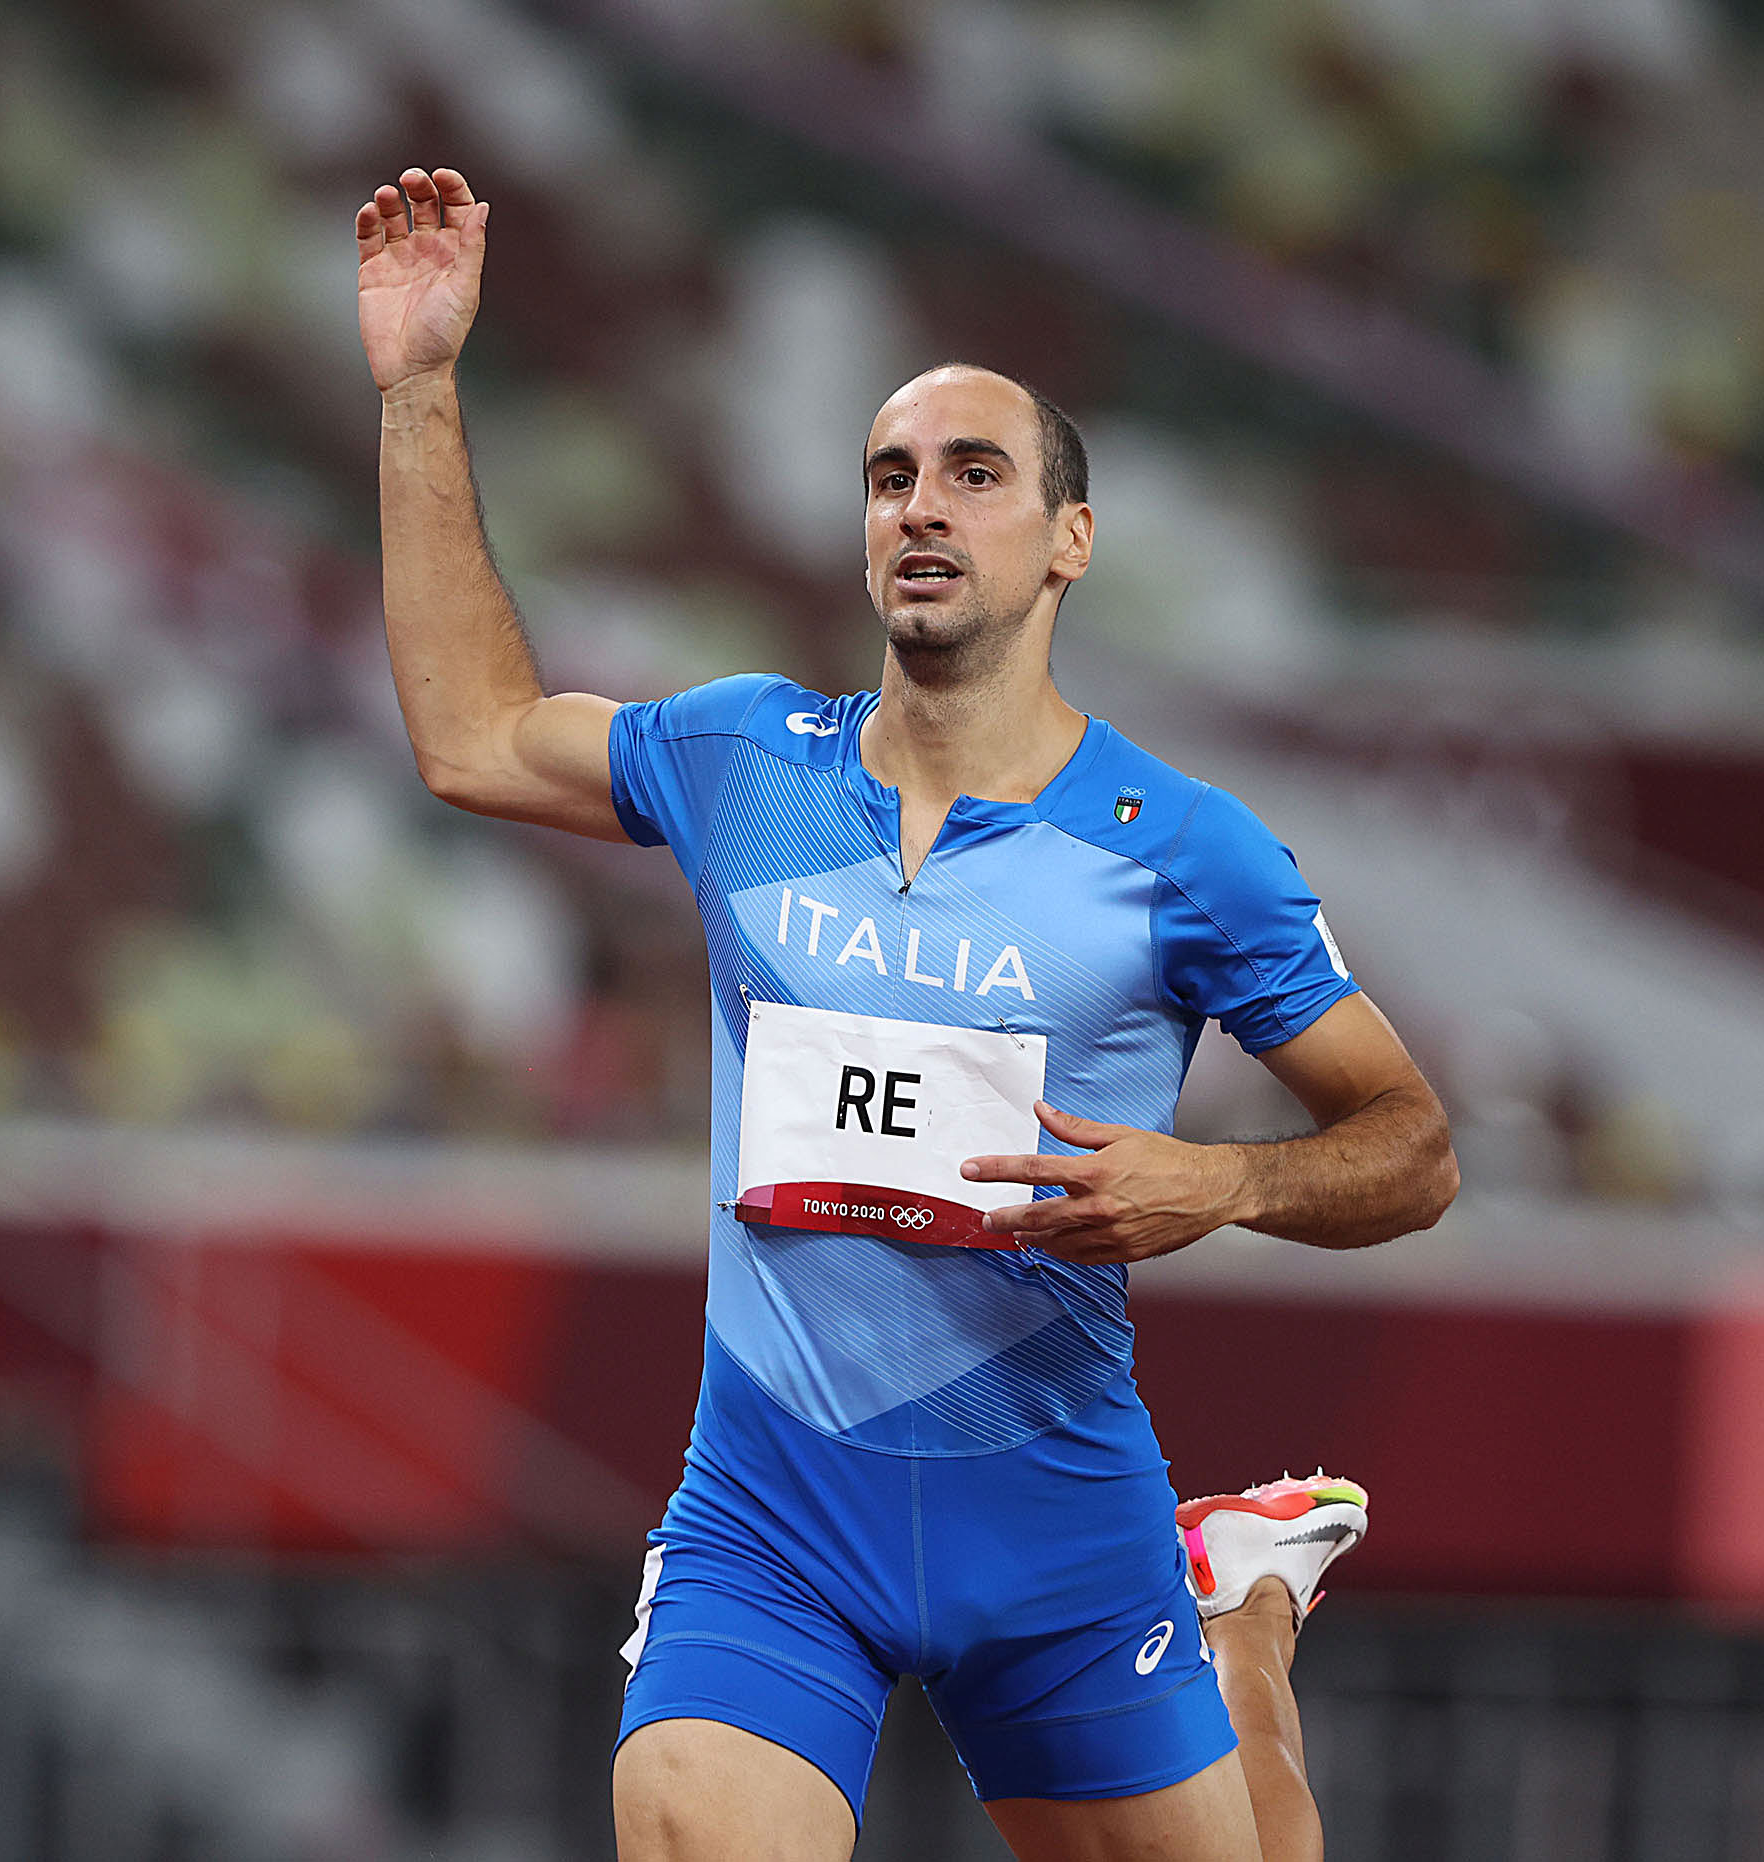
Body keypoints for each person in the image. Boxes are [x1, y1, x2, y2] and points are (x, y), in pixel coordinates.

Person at [357, 164, 1458, 1862]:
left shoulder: (1180, 852)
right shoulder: (743, 762)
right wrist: (420, 386)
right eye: (888, 477)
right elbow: (473, 735)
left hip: (1060, 1525)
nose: (920, 506)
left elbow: (1414, 1150)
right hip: (777, 1513)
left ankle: (1235, 1620)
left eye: (973, 473)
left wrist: (1218, 1183)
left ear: (1068, 539)